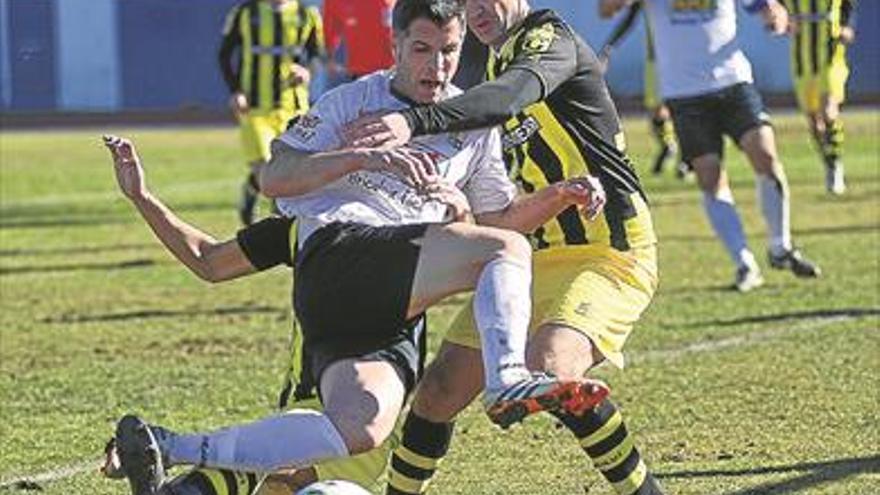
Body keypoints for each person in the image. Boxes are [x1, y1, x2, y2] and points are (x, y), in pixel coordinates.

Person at [110, 2, 609, 495]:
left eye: (450, 51)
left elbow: (499, 216)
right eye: (421, 49)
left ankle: (169, 445)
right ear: (394, 46)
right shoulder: (352, 102)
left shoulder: (472, 124)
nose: (436, 66)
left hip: (382, 311)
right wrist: (362, 157)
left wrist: (559, 195)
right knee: (505, 250)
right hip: (339, 252)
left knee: (362, 426)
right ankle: (506, 381)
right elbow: (275, 178)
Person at [345, 0, 665, 493]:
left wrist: (416, 121)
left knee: (550, 367)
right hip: (530, 257)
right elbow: (501, 203)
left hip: (607, 250)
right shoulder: (496, 62)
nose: (477, 10)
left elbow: (509, 96)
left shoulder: (548, 40)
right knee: (437, 392)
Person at [601, 0, 821, 292]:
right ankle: (745, 263)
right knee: (710, 176)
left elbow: (765, 6)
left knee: (765, 155)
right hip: (684, 93)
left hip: (733, 83)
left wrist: (775, 16)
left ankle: (781, 247)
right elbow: (606, 9)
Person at [219, 0, 325, 226]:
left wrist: (307, 70)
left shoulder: (306, 14)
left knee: (290, 166)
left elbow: (317, 55)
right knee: (266, 165)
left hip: (293, 108)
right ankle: (280, 222)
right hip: (255, 107)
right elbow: (225, 54)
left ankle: (254, 191)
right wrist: (236, 91)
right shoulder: (246, 12)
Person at [598, 1, 683, 178]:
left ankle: (686, 158)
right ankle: (668, 145)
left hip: (681, 56)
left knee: (683, 105)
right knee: (656, 108)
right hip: (656, 58)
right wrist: (609, 46)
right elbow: (629, 17)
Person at [781, 0, 857, 195]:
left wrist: (847, 26)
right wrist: (782, 21)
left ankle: (835, 166)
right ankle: (828, 161)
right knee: (814, 122)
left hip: (830, 55)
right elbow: (775, 8)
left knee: (829, 110)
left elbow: (848, 5)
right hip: (802, 59)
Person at [322, 0, 395, 82]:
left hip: (394, 71)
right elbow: (330, 32)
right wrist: (329, 58)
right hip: (359, 73)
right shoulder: (335, 2)